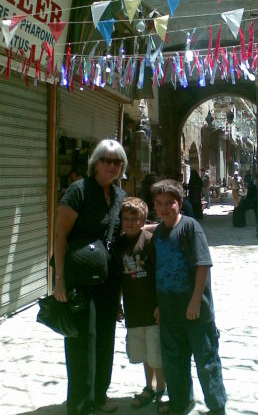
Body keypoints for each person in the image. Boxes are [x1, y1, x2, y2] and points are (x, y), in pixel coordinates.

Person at [53, 139, 128, 415]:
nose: (111, 165)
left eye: (116, 161)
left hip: (108, 280)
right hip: (80, 279)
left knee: (105, 336)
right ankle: (79, 402)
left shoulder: (120, 195)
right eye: (106, 160)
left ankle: (99, 395)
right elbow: (60, 236)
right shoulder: (78, 191)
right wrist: (59, 278)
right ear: (95, 163)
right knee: (81, 339)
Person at [150, 179, 227, 415]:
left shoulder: (190, 227)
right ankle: (180, 402)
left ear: (180, 203)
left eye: (169, 203)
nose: (164, 208)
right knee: (174, 361)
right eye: (159, 203)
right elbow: (157, 270)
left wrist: (195, 301)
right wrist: (158, 305)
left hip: (196, 310)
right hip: (169, 309)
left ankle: (216, 406)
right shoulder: (159, 233)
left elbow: (203, 265)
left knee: (206, 360)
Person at [115, 197, 168, 413]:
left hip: (152, 308)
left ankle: (162, 388)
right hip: (133, 309)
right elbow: (119, 277)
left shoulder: (150, 241)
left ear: (143, 220)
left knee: (156, 352)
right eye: (125, 219)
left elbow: (160, 274)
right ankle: (150, 385)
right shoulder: (118, 245)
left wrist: (161, 304)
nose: (129, 223)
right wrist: (118, 303)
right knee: (144, 353)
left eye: (134, 219)